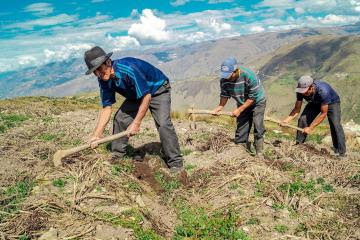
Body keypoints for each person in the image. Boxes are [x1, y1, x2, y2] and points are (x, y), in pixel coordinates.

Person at [84, 46, 183, 172]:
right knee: (120, 119)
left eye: (99, 68)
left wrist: (136, 123)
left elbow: (147, 97)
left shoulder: (128, 69)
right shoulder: (104, 79)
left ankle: (176, 162)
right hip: (137, 95)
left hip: (158, 89)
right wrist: (96, 135)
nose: (99, 73)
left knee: (163, 124)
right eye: (95, 71)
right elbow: (107, 108)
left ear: (108, 62)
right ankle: (117, 155)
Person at [281, 75, 346, 157]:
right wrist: (286, 120)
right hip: (314, 102)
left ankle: (341, 152)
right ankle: (299, 145)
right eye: (302, 91)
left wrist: (310, 128)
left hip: (332, 103)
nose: (303, 93)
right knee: (302, 119)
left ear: (311, 87)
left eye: (305, 91)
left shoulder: (323, 91)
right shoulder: (300, 91)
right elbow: (297, 109)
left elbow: (323, 114)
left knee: (335, 125)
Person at [213, 57, 267, 156]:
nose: (227, 78)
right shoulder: (224, 80)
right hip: (242, 102)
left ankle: (259, 152)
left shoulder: (249, 76)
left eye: (229, 75)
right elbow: (224, 94)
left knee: (258, 124)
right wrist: (220, 106)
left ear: (236, 70)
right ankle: (241, 150)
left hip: (257, 101)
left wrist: (240, 109)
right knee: (242, 125)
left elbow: (253, 97)